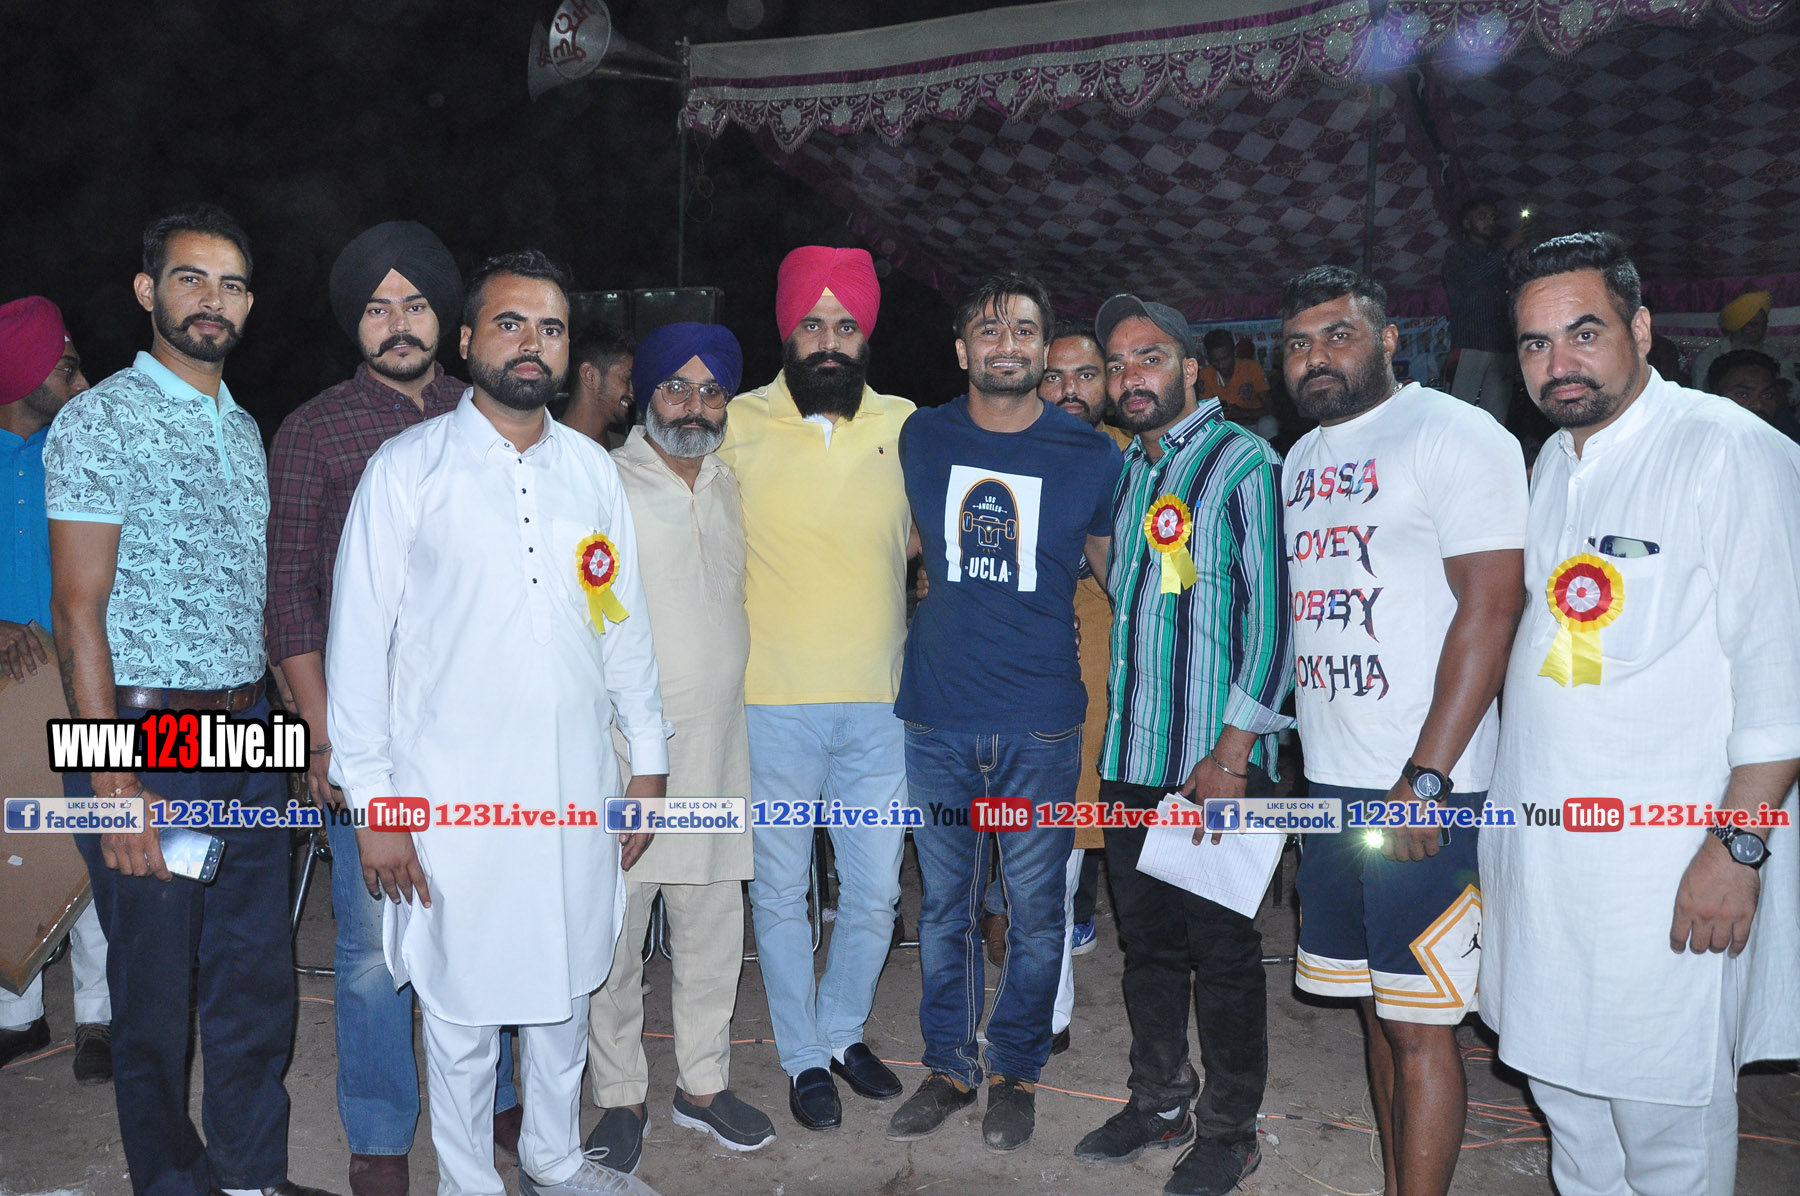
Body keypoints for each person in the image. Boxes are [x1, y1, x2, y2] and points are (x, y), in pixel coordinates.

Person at [325, 250, 667, 1196]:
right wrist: (376, 806)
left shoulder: (591, 473)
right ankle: (468, 1180)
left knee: (565, 984)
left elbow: (622, 627)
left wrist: (648, 763)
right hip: (451, 801)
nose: (531, 343)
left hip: (572, 788)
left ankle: (554, 1159)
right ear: (470, 338)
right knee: (463, 1004)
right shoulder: (407, 470)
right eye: (511, 323)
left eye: (550, 328)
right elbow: (357, 649)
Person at [1482, 231, 1800, 1196]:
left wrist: (1736, 849)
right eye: (1536, 343)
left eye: (1584, 333)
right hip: (1548, 864)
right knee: (1568, 1104)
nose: (1559, 363)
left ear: (1643, 330)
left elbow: (1782, 673)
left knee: (1664, 1121)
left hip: (1667, 871)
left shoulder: (1729, 448)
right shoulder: (1552, 463)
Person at [46, 205, 334, 1196]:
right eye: (191, 278)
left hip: (247, 728)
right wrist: (110, 779)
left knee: (256, 977)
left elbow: (252, 598)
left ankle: (251, 1173)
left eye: (233, 284)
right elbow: (76, 610)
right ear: (148, 291)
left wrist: (292, 735)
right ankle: (172, 1182)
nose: (214, 300)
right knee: (157, 991)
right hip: (145, 735)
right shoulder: (101, 419)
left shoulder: (243, 428)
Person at [263, 222, 522, 1196]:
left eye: (415, 304)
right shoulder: (314, 431)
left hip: (482, 735)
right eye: (378, 308)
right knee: (375, 950)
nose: (399, 322)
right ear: (355, 323)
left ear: (446, 316)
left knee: (485, 920)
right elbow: (289, 596)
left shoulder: (486, 414)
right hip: (369, 737)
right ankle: (379, 1131)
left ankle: (499, 1097)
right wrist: (326, 736)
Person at [1278, 265, 1527, 1196]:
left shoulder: (1455, 434)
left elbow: (1492, 607)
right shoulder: (1300, 460)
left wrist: (1428, 775)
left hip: (1428, 787)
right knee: (1375, 1013)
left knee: (1423, 1025)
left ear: (1388, 340)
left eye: (1337, 335)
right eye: (1297, 344)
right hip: (1334, 783)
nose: (1316, 358)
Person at [886, 276, 1121, 1152]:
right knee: (944, 908)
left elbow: (1119, 575)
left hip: (1041, 723)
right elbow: (898, 541)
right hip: (938, 719)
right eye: (988, 330)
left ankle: (1017, 1070)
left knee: (1036, 910)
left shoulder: (1089, 453)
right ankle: (950, 1067)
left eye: (1023, 329)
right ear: (962, 351)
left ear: (1043, 347)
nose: (1007, 343)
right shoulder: (923, 436)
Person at [1075, 294, 1291, 1196]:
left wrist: (1234, 754)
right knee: (1150, 951)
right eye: (1118, 364)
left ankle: (1232, 1132)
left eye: (1150, 357)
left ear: (1191, 368)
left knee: (1224, 957)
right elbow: (1130, 596)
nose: (1131, 376)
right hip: (1134, 760)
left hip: (1214, 769)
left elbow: (1276, 624)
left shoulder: (1244, 461)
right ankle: (1160, 1100)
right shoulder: (1131, 471)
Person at [717, 246, 913, 1131]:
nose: (829, 341)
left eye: (845, 325)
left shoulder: (907, 425)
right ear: (786, 333)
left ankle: (842, 1031)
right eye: (811, 324)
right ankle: (803, 1056)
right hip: (773, 708)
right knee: (781, 893)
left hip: (882, 709)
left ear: (865, 336)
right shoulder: (735, 422)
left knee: (874, 894)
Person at [584, 322, 774, 1171]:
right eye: (676, 388)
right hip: (628, 758)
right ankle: (620, 1095)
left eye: (711, 392)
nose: (694, 407)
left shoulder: (731, 483)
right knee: (617, 939)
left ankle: (702, 1085)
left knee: (712, 926)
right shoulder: (603, 482)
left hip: (722, 752)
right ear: (645, 393)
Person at [978, 320, 1129, 1053]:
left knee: (1079, 866)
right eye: (1054, 376)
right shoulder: (1004, 455)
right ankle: (1043, 1012)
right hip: (1026, 685)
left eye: (1087, 375)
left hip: (1118, 690)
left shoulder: (1138, 463)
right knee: (1041, 863)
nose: (1070, 389)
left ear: (1110, 384)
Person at [0, 295, 111, 1085]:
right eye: (64, 363)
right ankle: (18, 1010)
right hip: (7, 694)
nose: (80, 376)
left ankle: (100, 1015)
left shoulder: (78, 451)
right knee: (8, 843)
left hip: (78, 677)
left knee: (93, 832)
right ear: (20, 375)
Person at [1442, 197, 1527, 423]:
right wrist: (1505, 249)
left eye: (1492, 217)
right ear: (1466, 223)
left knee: (1495, 417)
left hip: (1501, 347)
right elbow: (1472, 279)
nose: (1489, 221)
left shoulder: (1502, 256)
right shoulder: (1456, 253)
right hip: (1471, 343)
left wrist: (1517, 253)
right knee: (1458, 412)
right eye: (1482, 216)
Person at [1689, 290, 1794, 398]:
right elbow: (1701, 397)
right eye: (1753, 324)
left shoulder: (1778, 355)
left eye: (1763, 324)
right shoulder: (1708, 357)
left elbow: (1793, 392)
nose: (1760, 330)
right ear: (1738, 326)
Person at [557, 322, 636, 449]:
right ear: (590, 375)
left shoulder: (627, 450)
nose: (633, 393)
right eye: (627, 378)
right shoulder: (547, 450)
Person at [1705, 348, 1800, 441]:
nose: (1759, 405)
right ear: (1714, 396)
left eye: (1767, 395)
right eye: (1742, 394)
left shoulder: (1787, 442)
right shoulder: (1702, 441)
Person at [1196, 329, 1269, 427]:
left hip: (1253, 426)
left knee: (1268, 423)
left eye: (1225, 359)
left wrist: (1242, 413)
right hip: (1223, 429)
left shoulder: (1252, 368)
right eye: (1215, 361)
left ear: (1234, 352)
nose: (1221, 365)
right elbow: (1204, 414)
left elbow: (1270, 409)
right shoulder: (1205, 375)